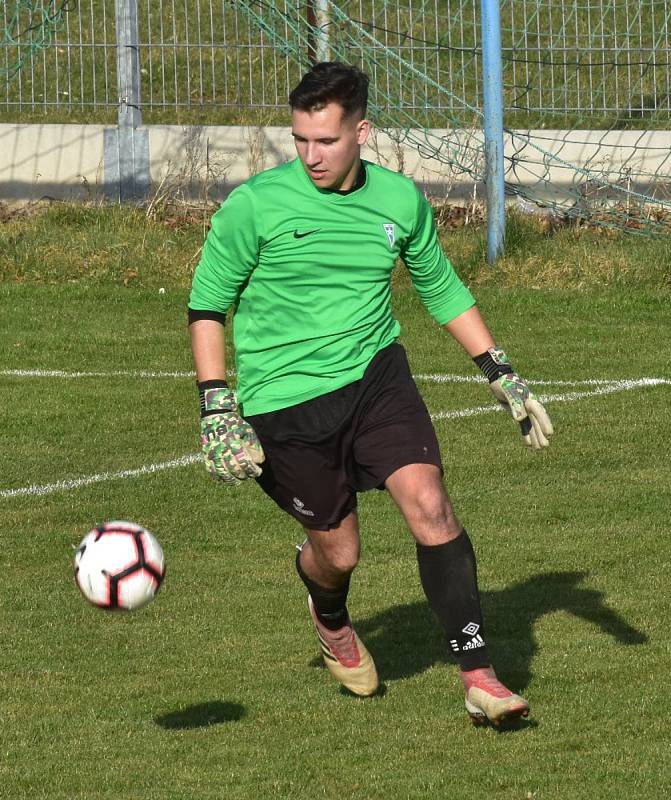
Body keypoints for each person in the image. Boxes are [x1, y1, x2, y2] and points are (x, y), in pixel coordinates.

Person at [187, 62, 553, 727]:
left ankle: (479, 677)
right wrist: (217, 403)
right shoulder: (255, 206)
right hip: (284, 402)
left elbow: (439, 288)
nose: (310, 155)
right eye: (299, 139)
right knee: (339, 553)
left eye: (325, 140)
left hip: (376, 380)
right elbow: (208, 305)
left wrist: (500, 372)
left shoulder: (398, 200)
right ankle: (328, 614)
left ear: (362, 132)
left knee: (431, 506)